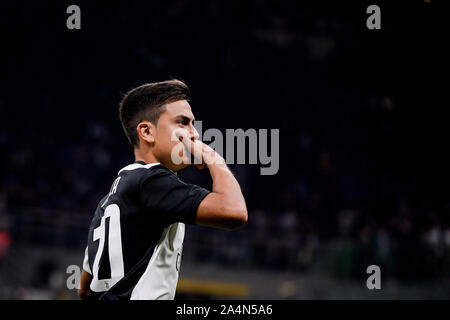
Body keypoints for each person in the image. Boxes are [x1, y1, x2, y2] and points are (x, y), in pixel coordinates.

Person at [78, 79, 247, 300]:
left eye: (193, 124)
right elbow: (234, 211)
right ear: (147, 131)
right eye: (183, 123)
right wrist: (214, 158)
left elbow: (84, 287)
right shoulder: (152, 180)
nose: (194, 134)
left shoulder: (108, 200)